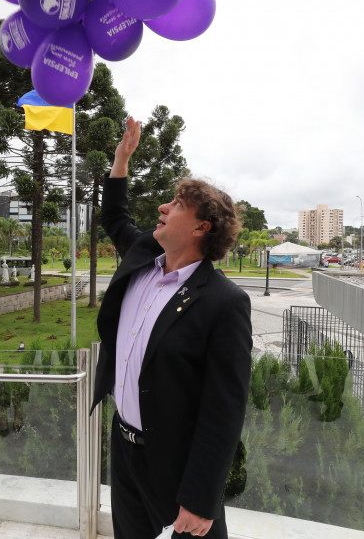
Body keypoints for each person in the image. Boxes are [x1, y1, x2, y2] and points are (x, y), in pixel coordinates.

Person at [92, 117, 252, 538]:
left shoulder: (224, 303)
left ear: (203, 228)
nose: (163, 208)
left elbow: (225, 409)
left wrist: (200, 499)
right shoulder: (143, 255)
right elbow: (114, 215)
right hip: (124, 446)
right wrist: (121, 159)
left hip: (175, 456)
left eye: (178, 205)